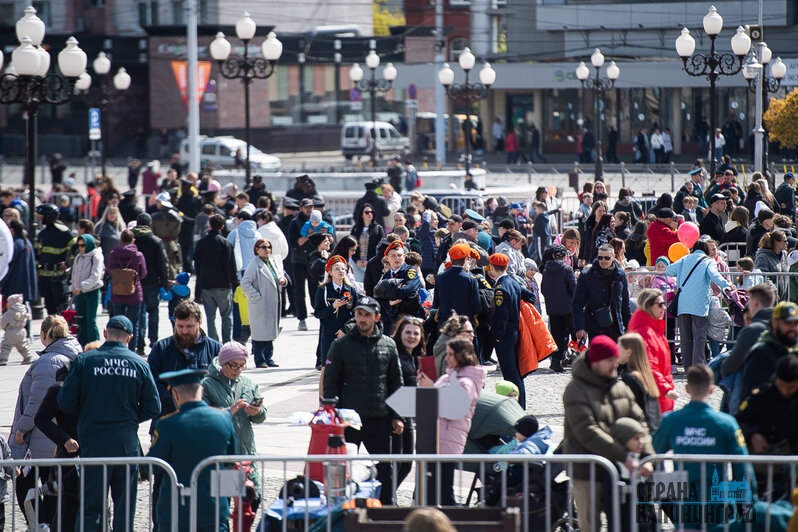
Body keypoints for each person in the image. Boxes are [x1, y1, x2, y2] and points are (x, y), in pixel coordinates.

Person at [58, 315, 161, 532]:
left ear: (105, 333)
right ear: (130, 338)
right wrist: (130, 417)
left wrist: (88, 411)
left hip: (93, 441)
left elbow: (65, 401)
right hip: (126, 444)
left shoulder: (85, 360)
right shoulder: (139, 364)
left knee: (89, 508)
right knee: (125, 509)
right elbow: (154, 406)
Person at [562, 336, 654, 532]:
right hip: (587, 469)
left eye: (615, 358)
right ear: (595, 361)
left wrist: (647, 456)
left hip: (621, 471)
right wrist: (623, 456)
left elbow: (640, 422)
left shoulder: (620, 387)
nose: (615, 363)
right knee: (590, 525)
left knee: (624, 524)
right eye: (609, 360)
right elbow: (586, 430)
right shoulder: (575, 389)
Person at [322, 295, 404, 505]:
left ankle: (387, 508)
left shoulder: (389, 345)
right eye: (359, 314)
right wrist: (332, 415)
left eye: (367, 315)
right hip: (349, 420)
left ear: (376, 317)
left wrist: (397, 416)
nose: (362, 319)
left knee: (385, 469)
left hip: (379, 418)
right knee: (342, 469)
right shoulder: (340, 345)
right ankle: (342, 510)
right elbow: (331, 382)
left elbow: (396, 383)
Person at [652, 365, 750, 529]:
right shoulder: (726, 423)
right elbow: (742, 466)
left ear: (686, 388)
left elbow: (653, 451)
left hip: (685, 498)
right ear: (712, 390)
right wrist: (746, 501)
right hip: (717, 498)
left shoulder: (672, 420)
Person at [10, 315, 81, 526]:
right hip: (58, 436)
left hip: (42, 438)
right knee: (52, 491)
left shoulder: (49, 361)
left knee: (27, 487)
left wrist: (21, 429)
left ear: (43, 335)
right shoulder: (74, 355)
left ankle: (41, 526)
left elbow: (38, 403)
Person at [148, 368, 237, 531]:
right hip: (214, 508)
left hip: (176, 509)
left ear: (175, 395)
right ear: (201, 391)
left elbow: (154, 466)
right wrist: (224, 503)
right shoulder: (224, 419)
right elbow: (231, 463)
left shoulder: (167, 424)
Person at [417, 337, 485, 505]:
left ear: (462, 356)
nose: (446, 358)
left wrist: (431, 390)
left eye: (450, 355)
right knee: (433, 491)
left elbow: (455, 409)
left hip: (446, 442)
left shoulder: (466, 382)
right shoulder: (448, 377)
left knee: (443, 493)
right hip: (435, 439)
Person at [201, 342, 267, 494]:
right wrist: (228, 411)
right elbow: (202, 417)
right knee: (224, 503)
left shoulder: (249, 384)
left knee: (252, 499)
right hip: (224, 456)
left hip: (246, 453)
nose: (238, 370)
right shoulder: (207, 384)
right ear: (223, 363)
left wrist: (256, 412)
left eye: (242, 365)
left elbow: (262, 415)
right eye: (234, 365)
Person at [148, 300, 222, 420]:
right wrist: (177, 405)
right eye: (180, 326)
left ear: (200, 323)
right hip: (168, 419)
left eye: (189, 326)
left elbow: (221, 383)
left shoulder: (215, 349)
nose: (184, 331)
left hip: (205, 419)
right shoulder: (161, 348)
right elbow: (152, 383)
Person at [666, 239, 731, 368]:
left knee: (685, 338)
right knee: (699, 337)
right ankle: (697, 367)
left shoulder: (684, 259)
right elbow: (715, 276)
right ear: (706, 250)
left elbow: (669, 270)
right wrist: (727, 285)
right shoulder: (708, 261)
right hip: (700, 304)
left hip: (683, 304)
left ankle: (687, 367)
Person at [736, 355, 798, 485]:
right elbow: (739, 421)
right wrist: (752, 434)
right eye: (781, 386)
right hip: (765, 471)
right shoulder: (761, 396)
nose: (785, 391)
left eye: (791, 387)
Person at [488, 252, 535, 409]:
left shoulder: (501, 288)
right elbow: (530, 296)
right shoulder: (513, 282)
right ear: (507, 267)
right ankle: (521, 405)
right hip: (515, 332)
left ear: (493, 269)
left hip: (505, 336)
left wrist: (497, 336)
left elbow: (501, 316)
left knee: (511, 375)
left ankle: (518, 407)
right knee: (517, 373)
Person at [739, 301, 798, 404]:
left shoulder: (795, 353)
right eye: (787, 323)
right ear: (774, 323)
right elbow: (749, 398)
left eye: (796, 323)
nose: (792, 328)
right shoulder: (761, 353)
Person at [628, 289, 676, 415]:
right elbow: (648, 366)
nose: (664, 307)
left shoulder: (653, 330)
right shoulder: (645, 333)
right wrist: (665, 389)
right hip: (654, 396)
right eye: (660, 304)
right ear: (648, 306)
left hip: (658, 395)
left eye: (664, 303)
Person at [241, 238, 287, 368]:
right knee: (260, 333)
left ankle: (269, 358)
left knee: (270, 332)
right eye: (263, 247)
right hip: (261, 303)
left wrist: (282, 280)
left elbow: (279, 275)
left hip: (273, 302)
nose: (267, 249)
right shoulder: (254, 264)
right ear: (257, 249)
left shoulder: (272, 261)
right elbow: (245, 283)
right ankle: (260, 360)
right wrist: (257, 297)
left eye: (268, 247)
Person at [391, 316, 426, 487]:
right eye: (407, 333)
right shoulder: (395, 356)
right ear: (400, 334)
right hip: (395, 417)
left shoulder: (416, 358)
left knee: (406, 464)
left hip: (409, 417)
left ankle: (387, 495)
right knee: (396, 463)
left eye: (415, 333)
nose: (411, 336)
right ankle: (386, 498)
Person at [573, 244, 631, 342]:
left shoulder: (620, 275)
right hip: (595, 327)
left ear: (613, 258)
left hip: (616, 327)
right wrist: (580, 327)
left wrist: (630, 327)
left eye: (607, 258)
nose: (603, 261)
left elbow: (625, 303)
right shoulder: (587, 275)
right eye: (600, 258)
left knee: (616, 356)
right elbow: (577, 303)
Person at [194, 213, 238, 343]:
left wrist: (198, 287)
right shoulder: (225, 243)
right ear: (222, 226)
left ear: (210, 225)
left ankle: (214, 343)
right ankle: (227, 342)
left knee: (210, 317)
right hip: (223, 285)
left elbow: (197, 266)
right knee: (226, 316)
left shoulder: (201, 243)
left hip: (206, 285)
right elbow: (231, 266)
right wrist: (234, 281)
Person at [132, 212, 171, 353]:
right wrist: (165, 283)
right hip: (153, 282)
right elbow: (163, 264)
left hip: (135, 283)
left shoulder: (132, 240)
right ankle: (153, 339)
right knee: (153, 311)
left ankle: (140, 344)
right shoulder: (156, 241)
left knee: (139, 313)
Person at [314, 255, 357, 370]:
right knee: (327, 368)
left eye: (343, 269)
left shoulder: (350, 289)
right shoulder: (323, 289)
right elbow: (318, 313)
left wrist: (345, 328)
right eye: (337, 269)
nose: (341, 271)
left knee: (347, 367)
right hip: (328, 333)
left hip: (346, 333)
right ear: (330, 272)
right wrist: (333, 307)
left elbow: (356, 314)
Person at [108, 229, 147, 349]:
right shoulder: (138, 255)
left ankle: (117, 347)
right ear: (133, 240)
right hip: (134, 292)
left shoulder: (113, 254)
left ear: (120, 240)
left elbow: (110, 271)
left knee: (116, 323)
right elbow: (143, 273)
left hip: (117, 292)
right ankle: (131, 349)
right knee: (133, 323)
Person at [35, 203, 76, 315]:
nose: (40, 218)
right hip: (45, 276)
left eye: (42, 216)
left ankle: (60, 331)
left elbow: (76, 248)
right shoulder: (42, 234)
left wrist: (68, 263)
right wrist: (36, 269)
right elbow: (36, 254)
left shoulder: (65, 233)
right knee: (49, 307)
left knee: (61, 307)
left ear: (48, 216)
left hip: (58, 277)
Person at [541, 244, 575, 373]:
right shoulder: (567, 270)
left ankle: (556, 360)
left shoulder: (546, 270)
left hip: (553, 309)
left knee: (557, 335)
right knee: (574, 333)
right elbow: (574, 288)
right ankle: (578, 358)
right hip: (568, 308)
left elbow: (544, 289)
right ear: (564, 256)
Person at [618, 332, 663, 431]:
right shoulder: (646, 374)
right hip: (654, 429)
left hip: (640, 431)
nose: (616, 352)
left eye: (619, 348)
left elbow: (631, 410)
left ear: (628, 352)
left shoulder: (630, 377)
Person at [432, 243, 481, 325]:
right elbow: (477, 307)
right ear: (466, 259)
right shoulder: (470, 279)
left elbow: (436, 303)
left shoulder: (440, 278)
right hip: (464, 324)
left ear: (451, 259)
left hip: (445, 323)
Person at [69, 234, 104, 346]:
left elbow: (96, 276)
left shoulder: (96, 256)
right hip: (79, 293)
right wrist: (74, 288)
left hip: (91, 292)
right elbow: (74, 274)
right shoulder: (79, 257)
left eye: (83, 245)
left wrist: (82, 287)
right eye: (79, 246)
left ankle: (95, 345)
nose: (81, 248)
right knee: (81, 320)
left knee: (91, 321)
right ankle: (82, 345)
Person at [1, 219, 38, 309]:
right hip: (25, 285)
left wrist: (2, 282)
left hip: (14, 285)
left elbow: (9, 265)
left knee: (16, 312)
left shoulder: (15, 244)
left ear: (12, 230)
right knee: (24, 309)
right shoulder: (26, 243)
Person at [151, 191, 183, 279]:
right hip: (172, 244)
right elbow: (177, 232)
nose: (156, 204)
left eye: (158, 202)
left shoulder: (154, 217)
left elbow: (152, 231)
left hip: (159, 244)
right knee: (172, 265)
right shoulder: (176, 216)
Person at [0, 294, 35, 364]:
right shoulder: (24, 311)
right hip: (21, 331)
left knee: (6, 346)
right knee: (23, 346)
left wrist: (4, 328)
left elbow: (4, 322)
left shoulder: (9, 312)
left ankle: (3, 359)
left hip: (11, 331)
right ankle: (28, 357)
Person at [755, 232, 788, 298]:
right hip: (770, 298)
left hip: (784, 297)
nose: (787, 243)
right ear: (776, 242)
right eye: (784, 241)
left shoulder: (784, 254)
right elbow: (763, 276)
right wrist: (773, 291)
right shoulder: (762, 256)